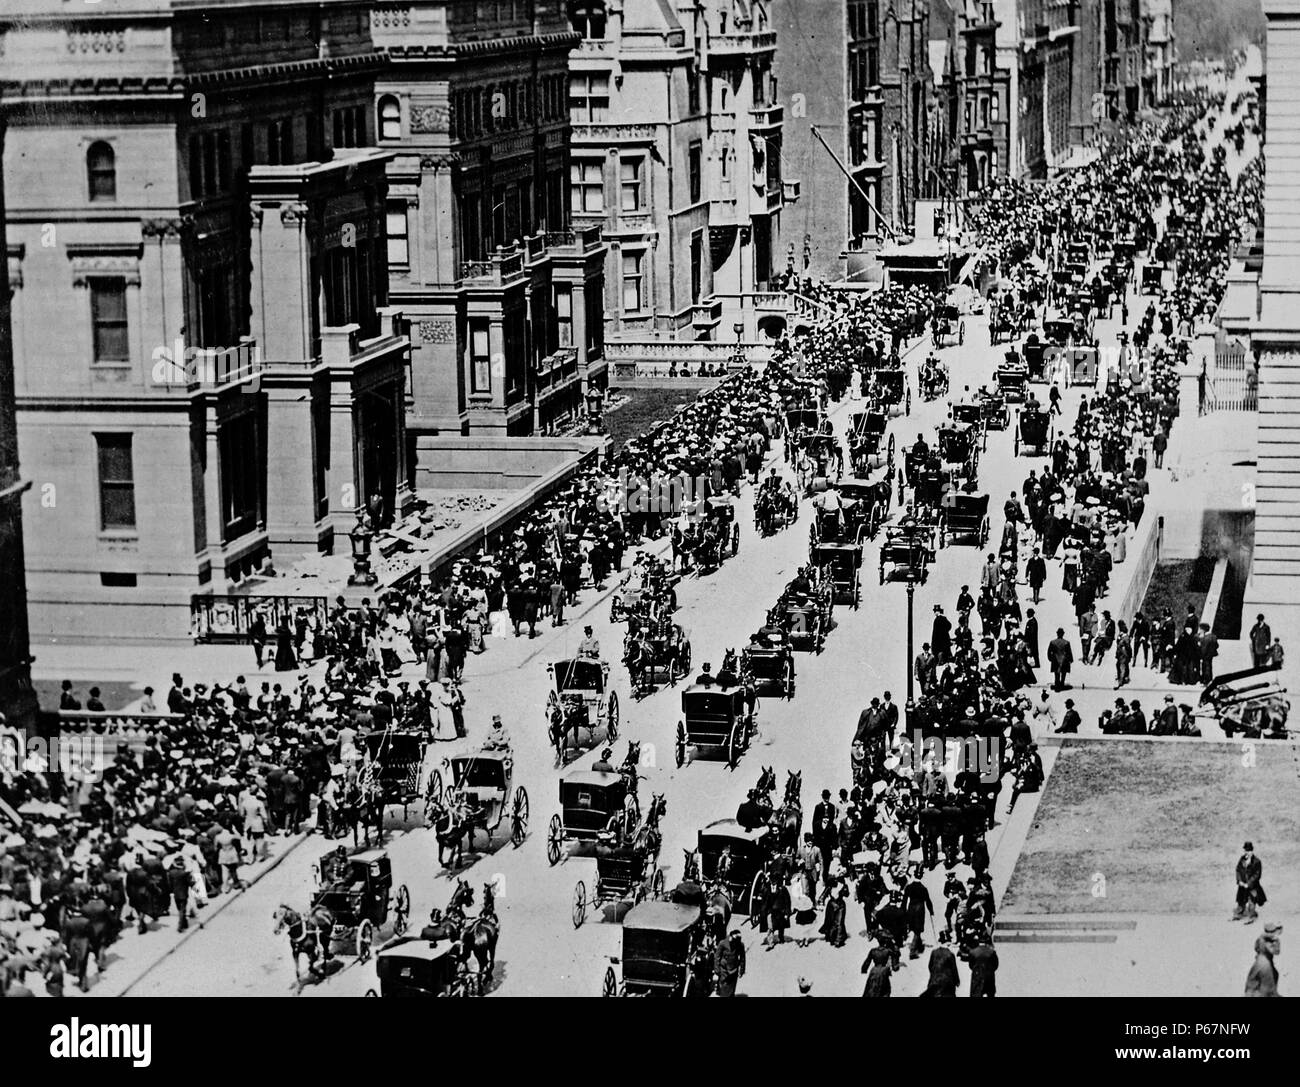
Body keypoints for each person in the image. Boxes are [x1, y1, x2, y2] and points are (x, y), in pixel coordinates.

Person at [1244, 922, 1282, 997]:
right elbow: (1276, 951)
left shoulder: (1260, 938)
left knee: (1254, 982)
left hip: (1258, 961)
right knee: (1268, 988)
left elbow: (1256, 948)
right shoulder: (1270, 940)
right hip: (1265, 964)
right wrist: (1276, 941)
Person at [1233, 841, 1265, 923]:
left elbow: (1257, 875)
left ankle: (1252, 915)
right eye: (1245, 850)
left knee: (1252, 901)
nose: (1247, 852)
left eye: (1249, 851)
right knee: (1240, 900)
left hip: (1252, 886)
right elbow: (1238, 870)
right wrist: (1239, 880)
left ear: (1252, 851)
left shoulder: (1257, 861)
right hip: (1242, 885)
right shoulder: (1242, 859)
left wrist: (1249, 884)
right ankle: (1239, 914)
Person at [967, 927, 999, 997]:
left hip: (977, 975)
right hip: (989, 975)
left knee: (976, 993)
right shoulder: (991, 952)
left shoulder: (973, 952)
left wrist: (977, 969)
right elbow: (996, 964)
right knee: (990, 994)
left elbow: (970, 965)